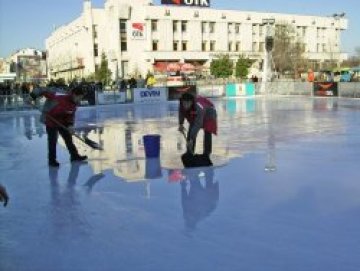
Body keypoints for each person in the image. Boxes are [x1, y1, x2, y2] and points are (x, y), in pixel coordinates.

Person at [29, 85, 88, 167]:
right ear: (74, 94)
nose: (80, 100)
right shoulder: (58, 95)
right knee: (52, 141)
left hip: (62, 121)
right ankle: (52, 160)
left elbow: (70, 115)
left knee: (68, 139)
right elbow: (41, 89)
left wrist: (70, 125)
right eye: (79, 97)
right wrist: (32, 97)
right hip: (50, 120)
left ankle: (74, 156)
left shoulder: (74, 104)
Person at [178, 93, 217, 158]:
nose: (186, 106)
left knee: (207, 132)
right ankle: (190, 152)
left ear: (191, 102)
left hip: (209, 112)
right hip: (196, 113)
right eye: (184, 103)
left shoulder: (198, 107)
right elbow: (181, 113)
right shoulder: (181, 105)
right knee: (190, 134)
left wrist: (192, 139)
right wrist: (181, 124)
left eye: (188, 103)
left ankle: (206, 154)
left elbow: (197, 124)